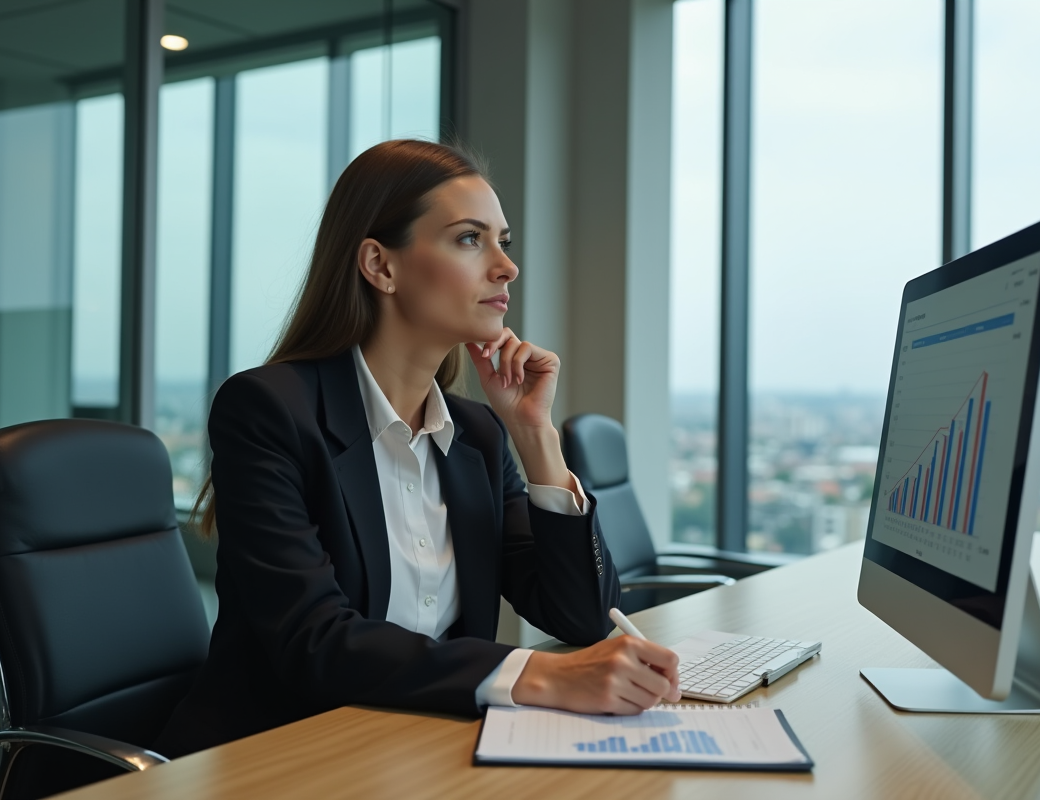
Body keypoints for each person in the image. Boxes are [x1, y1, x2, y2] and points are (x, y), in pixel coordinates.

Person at [155, 139, 681, 757]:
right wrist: (540, 675)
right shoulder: (271, 410)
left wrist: (535, 435)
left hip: (420, 750)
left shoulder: (478, 436)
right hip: (284, 756)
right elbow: (312, 640)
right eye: (468, 238)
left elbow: (586, 619)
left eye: (502, 242)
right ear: (381, 265)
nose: (506, 267)